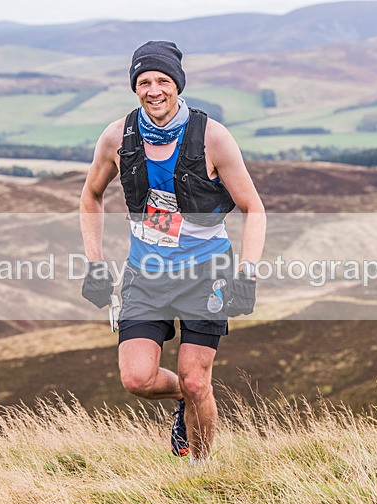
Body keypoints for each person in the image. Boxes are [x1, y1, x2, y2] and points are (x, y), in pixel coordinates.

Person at [79, 41, 266, 462]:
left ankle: (198, 472)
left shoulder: (213, 138)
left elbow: (254, 209)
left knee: (199, 379)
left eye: (163, 80)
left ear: (178, 85)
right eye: (144, 82)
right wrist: (94, 265)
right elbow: (90, 195)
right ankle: (187, 397)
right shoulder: (116, 137)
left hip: (207, 271)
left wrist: (248, 274)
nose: (154, 90)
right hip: (146, 273)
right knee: (137, 378)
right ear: (134, 87)